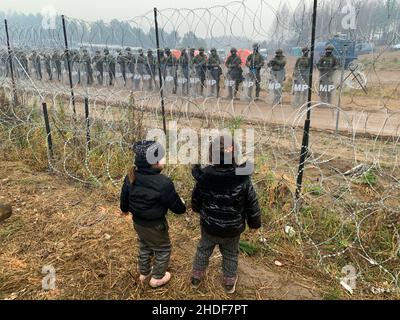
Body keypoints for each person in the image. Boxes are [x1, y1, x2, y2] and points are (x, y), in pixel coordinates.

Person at [190, 135, 262, 294]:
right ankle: (229, 283)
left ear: (211, 155)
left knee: (203, 250)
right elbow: (252, 203)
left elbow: (196, 198)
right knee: (230, 254)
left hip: (209, 227)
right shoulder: (242, 180)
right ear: (235, 156)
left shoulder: (204, 177)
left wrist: (196, 208)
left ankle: (196, 277)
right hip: (232, 230)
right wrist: (254, 223)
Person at [120, 140, 187, 288]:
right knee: (163, 249)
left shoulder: (131, 176)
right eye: (162, 157)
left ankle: (144, 273)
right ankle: (157, 277)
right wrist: (183, 206)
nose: (165, 159)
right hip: (156, 225)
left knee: (144, 245)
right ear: (154, 162)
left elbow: (124, 196)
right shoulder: (163, 183)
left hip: (138, 222)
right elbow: (177, 207)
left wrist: (124, 209)